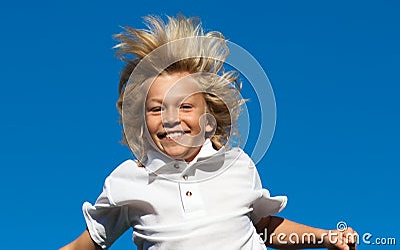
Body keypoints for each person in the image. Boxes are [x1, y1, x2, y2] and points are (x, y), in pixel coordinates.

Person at [60, 15, 357, 250]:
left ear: (208, 118)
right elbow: (84, 245)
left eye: (185, 106)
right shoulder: (128, 181)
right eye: (156, 109)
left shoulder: (237, 166)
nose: (170, 119)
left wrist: (324, 236)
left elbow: (264, 227)